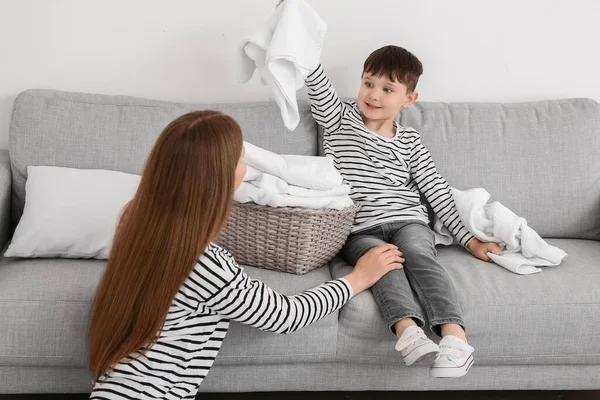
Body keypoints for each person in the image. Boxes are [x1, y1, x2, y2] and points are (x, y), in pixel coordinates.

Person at [88, 110, 405, 399]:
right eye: (241, 158)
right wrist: (357, 279)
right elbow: (285, 315)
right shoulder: (205, 264)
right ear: (219, 179)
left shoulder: (133, 222)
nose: (248, 166)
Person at [304, 45, 503, 378]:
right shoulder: (338, 118)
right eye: (368, 83)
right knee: (381, 262)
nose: (374, 95)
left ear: (409, 99)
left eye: (387, 89)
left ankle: (455, 339)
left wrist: (471, 242)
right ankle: (407, 333)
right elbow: (313, 74)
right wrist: (297, 26)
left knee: (416, 253)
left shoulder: (410, 141)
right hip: (358, 230)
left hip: (407, 220)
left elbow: (436, 191)